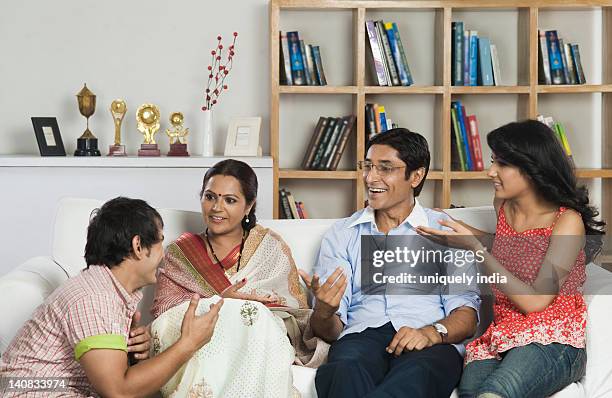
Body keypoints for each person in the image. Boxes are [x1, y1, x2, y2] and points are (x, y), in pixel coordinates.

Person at [416, 120, 605, 398]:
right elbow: (514, 248)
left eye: (502, 164)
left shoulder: (567, 221)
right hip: (501, 334)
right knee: (471, 392)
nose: (490, 172)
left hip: (552, 338)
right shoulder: (503, 206)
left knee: (495, 392)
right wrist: (455, 229)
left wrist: (475, 248)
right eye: (493, 161)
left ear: (531, 168)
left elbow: (536, 301)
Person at [300, 128, 481, 398]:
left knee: (418, 375)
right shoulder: (343, 233)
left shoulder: (444, 232)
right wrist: (324, 312)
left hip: (428, 341)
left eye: (385, 168)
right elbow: (332, 330)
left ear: (416, 176)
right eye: (368, 166)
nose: (371, 177)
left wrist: (432, 333)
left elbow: (467, 316)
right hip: (361, 337)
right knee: (342, 371)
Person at [0, 197, 223, 397]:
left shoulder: (109, 292)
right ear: (138, 246)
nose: (163, 254)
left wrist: (131, 358)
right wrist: (188, 343)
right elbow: (119, 392)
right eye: (159, 243)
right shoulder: (95, 299)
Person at [150, 159, 326, 397]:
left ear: (248, 206)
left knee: (256, 319)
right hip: (202, 339)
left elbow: (297, 312)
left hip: (260, 335)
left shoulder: (269, 246)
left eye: (230, 200)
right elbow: (165, 312)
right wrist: (219, 302)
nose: (216, 208)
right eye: (210, 196)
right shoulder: (180, 253)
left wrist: (245, 310)